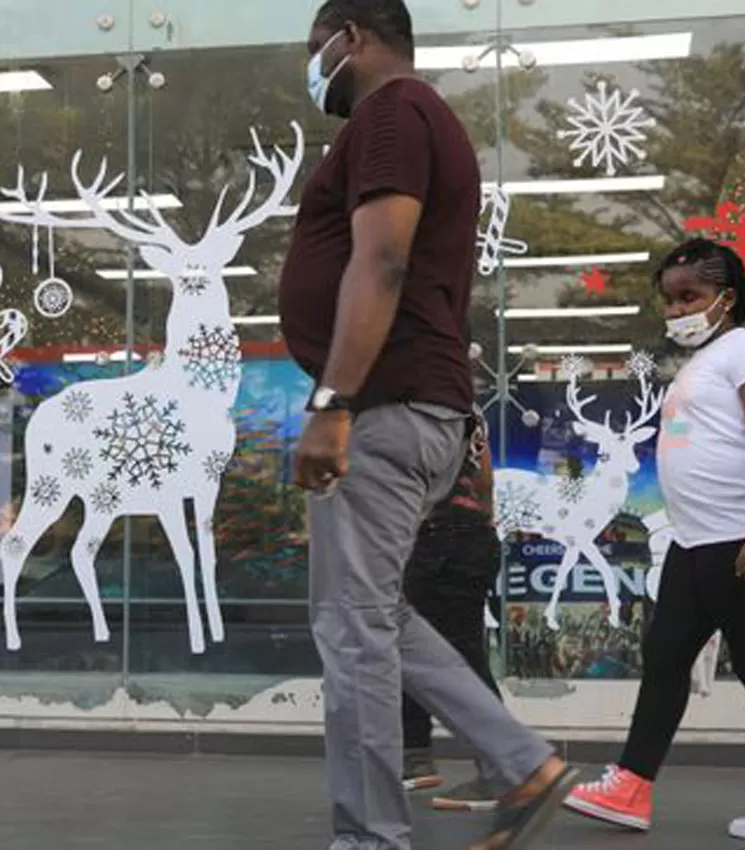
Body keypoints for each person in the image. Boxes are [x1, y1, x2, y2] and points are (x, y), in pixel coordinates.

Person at [278, 2, 574, 847]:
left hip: (384, 401)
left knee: (352, 627)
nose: (315, 66)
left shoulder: (393, 113)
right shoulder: (409, 119)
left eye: (317, 48)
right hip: (412, 401)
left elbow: (384, 258)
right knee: (372, 613)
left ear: (355, 38)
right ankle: (524, 761)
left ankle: (371, 836)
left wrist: (334, 402)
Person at [562, 238, 745, 842]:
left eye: (689, 296)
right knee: (665, 659)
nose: (677, 309)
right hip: (694, 544)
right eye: (669, 299)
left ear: (728, 297)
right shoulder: (701, 364)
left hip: (737, 539)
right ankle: (632, 787)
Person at [399, 407, 505, 812]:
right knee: (415, 644)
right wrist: (483, 525)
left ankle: (499, 768)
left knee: (455, 655)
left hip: (435, 539)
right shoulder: (468, 408)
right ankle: (414, 753)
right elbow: (485, 479)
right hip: (471, 535)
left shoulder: (415, 404)